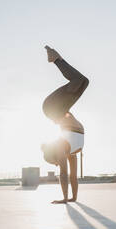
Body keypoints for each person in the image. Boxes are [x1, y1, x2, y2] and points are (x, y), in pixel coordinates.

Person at [41, 46, 89, 204]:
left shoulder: (61, 146)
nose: (58, 164)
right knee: (83, 82)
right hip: (61, 110)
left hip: (52, 108)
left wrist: (64, 199)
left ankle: (55, 60)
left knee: (80, 81)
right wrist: (72, 198)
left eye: (55, 161)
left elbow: (63, 174)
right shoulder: (72, 152)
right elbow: (72, 176)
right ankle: (56, 59)